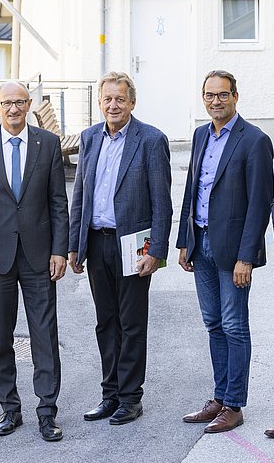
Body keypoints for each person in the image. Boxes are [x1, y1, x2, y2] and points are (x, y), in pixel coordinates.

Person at [0, 81, 69, 441]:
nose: (13, 109)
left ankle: (46, 411)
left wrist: (59, 249)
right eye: (7, 103)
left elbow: (58, 201)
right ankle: (10, 409)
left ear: (29, 105)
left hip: (40, 255)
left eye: (20, 102)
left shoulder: (47, 143)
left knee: (44, 334)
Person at [69, 71, 172, 425]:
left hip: (133, 246)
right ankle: (109, 395)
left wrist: (156, 252)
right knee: (105, 322)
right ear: (100, 102)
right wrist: (74, 245)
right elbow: (80, 194)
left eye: (120, 99)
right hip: (97, 243)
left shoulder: (151, 140)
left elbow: (162, 202)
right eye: (107, 99)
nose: (113, 105)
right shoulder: (89, 138)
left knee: (131, 324)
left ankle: (130, 398)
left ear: (132, 102)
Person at [177, 70, 274, 433]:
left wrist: (246, 258)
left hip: (234, 252)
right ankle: (219, 397)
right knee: (213, 324)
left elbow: (260, 204)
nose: (215, 101)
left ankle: (234, 404)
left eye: (222, 95)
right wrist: (184, 241)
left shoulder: (255, 141)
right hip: (200, 244)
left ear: (236, 96)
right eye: (209, 95)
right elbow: (192, 190)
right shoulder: (202, 134)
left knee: (234, 326)